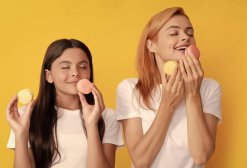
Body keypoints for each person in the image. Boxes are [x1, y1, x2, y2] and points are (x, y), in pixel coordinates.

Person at [116, 7, 222, 168]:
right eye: (174, 33)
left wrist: (193, 93)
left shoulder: (209, 88)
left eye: (190, 33)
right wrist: (167, 103)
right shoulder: (130, 89)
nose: (186, 37)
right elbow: (141, 161)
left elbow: (201, 157)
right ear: (151, 45)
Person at [6, 39, 124, 168]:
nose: (75, 73)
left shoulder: (107, 116)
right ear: (48, 75)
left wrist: (91, 125)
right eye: (65, 67)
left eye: (83, 67)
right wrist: (20, 134)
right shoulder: (26, 116)